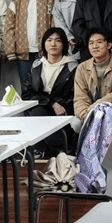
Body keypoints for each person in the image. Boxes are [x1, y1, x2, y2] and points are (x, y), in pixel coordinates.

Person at [22, 27, 78, 155]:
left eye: (58, 40)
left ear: (64, 44)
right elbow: (26, 94)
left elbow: (75, 95)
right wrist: (51, 103)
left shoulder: (72, 67)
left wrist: (58, 104)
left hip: (64, 109)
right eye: (49, 40)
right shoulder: (36, 65)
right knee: (38, 112)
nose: (53, 44)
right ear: (44, 44)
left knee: (39, 115)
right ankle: (58, 149)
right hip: (42, 107)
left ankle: (48, 150)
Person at [4, 0, 56, 82]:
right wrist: (10, 50)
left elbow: (55, 23)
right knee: (26, 86)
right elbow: (9, 24)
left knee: (46, 84)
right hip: (23, 52)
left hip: (46, 51)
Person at [73, 28, 112, 121]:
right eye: (91, 43)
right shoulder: (82, 67)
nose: (95, 46)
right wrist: (85, 115)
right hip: (89, 110)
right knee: (75, 123)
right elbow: (80, 97)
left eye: (99, 42)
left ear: (109, 45)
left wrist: (97, 106)